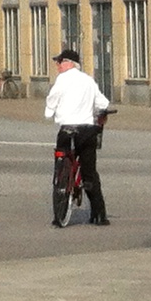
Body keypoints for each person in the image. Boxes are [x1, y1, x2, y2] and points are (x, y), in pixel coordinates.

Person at [44, 44, 112, 226]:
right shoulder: (88, 81)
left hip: (66, 129)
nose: (57, 65)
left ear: (68, 63)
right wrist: (102, 112)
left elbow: (52, 100)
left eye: (59, 62)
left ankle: (59, 209)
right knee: (89, 171)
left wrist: (49, 113)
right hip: (86, 130)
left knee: (61, 162)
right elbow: (103, 102)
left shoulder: (62, 80)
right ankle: (99, 214)